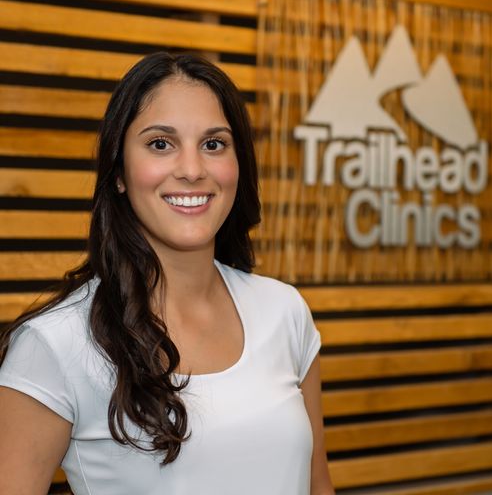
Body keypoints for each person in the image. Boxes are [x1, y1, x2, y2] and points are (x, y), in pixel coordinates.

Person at [0, 52, 334, 495]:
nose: (193, 170)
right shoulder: (55, 343)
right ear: (118, 172)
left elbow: (317, 485)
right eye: (161, 143)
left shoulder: (284, 310)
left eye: (213, 144)